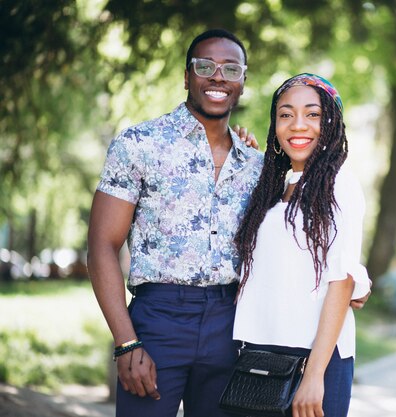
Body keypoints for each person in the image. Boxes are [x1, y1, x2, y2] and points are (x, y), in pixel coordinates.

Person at [88, 29, 369, 417]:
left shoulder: (256, 167)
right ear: (187, 76)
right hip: (159, 319)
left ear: (242, 82)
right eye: (205, 66)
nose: (218, 76)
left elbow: (311, 238)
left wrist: (355, 275)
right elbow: (102, 245)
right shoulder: (139, 144)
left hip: (229, 327)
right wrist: (125, 342)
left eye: (230, 68)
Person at [232, 73, 370, 417]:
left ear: (331, 123)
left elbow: (342, 279)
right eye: (285, 114)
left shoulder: (339, 184)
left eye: (312, 114)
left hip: (315, 358)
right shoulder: (271, 189)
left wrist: (314, 376)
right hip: (259, 354)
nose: (298, 125)